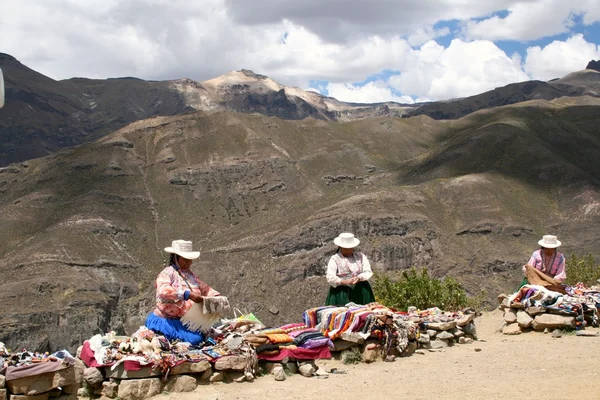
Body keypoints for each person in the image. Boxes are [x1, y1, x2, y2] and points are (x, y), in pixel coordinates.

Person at [145, 240, 221, 344]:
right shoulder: (167, 273)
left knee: (198, 338)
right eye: (185, 259)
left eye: (190, 260)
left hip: (185, 321)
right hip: (167, 320)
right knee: (194, 340)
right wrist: (187, 294)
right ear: (176, 257)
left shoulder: (191, 276)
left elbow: (205, 288)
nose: (188, 263)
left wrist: (215, 296)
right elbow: (163, 290)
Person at [325, 233, 376, 306]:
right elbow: (330, 277)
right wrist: (343, 281)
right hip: (341, 292)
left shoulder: (361, 256)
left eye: (350, 247)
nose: (349, 249)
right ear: (340, 247)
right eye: (346, 247)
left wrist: (359, 277)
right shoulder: (335, 259)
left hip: (361, 290)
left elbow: (367, 271)